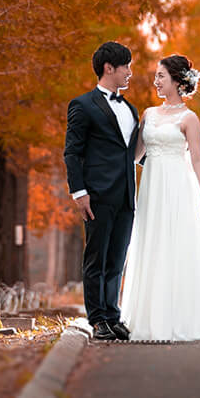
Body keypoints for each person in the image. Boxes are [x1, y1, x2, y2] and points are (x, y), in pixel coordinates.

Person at [120, 53, 200, 341]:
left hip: (177, 186)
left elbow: (197, 159)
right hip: (151, 186)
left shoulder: (190, 118)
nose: (156, 81)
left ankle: (177, 319)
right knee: (151, 242)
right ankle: (147, 319)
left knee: (175, 245)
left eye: (161, 76)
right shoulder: (148, 114)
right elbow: (135, 155)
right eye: (156, 76)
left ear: (177, 80)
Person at [64, 41, 139, 341]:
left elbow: (133, 152)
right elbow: (72, 153)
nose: (130, 72)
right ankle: (97, 320)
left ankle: (112, 315)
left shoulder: (130, 109)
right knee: (96, 258)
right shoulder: (82, 105)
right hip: (96, 195)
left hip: (126, 196)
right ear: (110, 68)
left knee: (117, 259)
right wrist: (79, 192)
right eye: (127, 67)